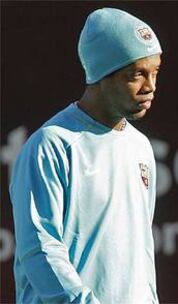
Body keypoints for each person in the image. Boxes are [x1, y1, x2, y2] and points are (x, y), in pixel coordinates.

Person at [9, 7, 162, 303]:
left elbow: (141, 253)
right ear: (102, 75)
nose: (151, 86)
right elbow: (39, 248)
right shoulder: (50, 145)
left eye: (155, 72)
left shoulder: (140, 147)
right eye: (137, 75)